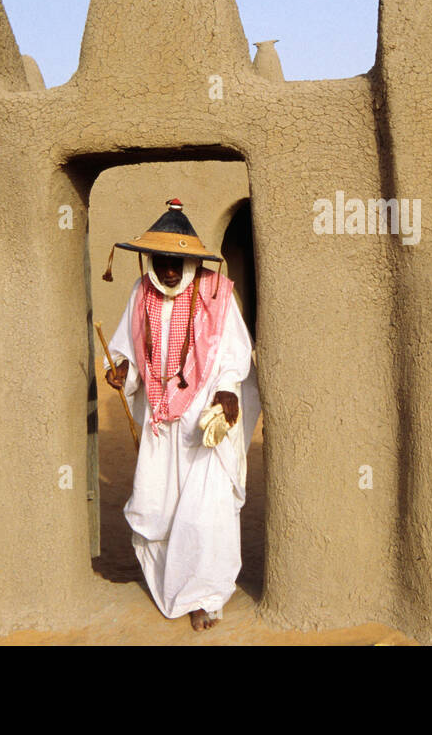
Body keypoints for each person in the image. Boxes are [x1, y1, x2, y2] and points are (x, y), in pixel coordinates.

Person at [101, 198, 258, 631]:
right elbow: (129, 349)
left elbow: (234, 350)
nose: (169, 270)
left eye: (177, 261)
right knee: (161, 504)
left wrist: (227, 389)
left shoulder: (215, 294)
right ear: (150, 260)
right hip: (159, 421)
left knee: (205, 508)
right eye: (161, 261)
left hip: (204, 419)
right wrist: (124, 373)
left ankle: (205, 596)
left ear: (191, 260)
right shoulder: (140, 292)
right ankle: (173, 584)